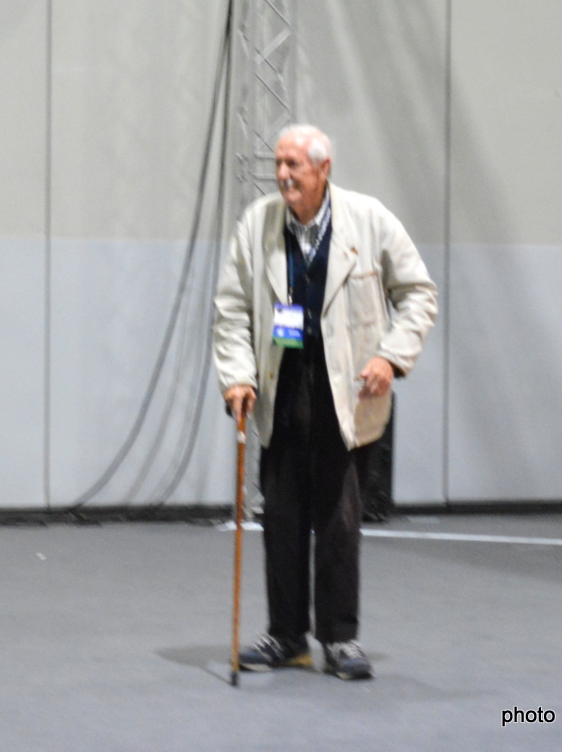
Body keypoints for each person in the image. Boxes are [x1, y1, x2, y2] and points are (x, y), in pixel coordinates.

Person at [213, 124, 437, 680]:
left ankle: (340, 639)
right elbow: (231, 309)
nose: (283, 175)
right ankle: (287, 636)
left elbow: (418, 294)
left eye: (295, 165)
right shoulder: (256, 224)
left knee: (339, 523)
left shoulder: (369, 219)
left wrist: (390, 357)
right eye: (279, 164)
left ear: (323, 170)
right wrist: (237, 377)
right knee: (282, 521)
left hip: (348, 395)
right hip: (281, 390)